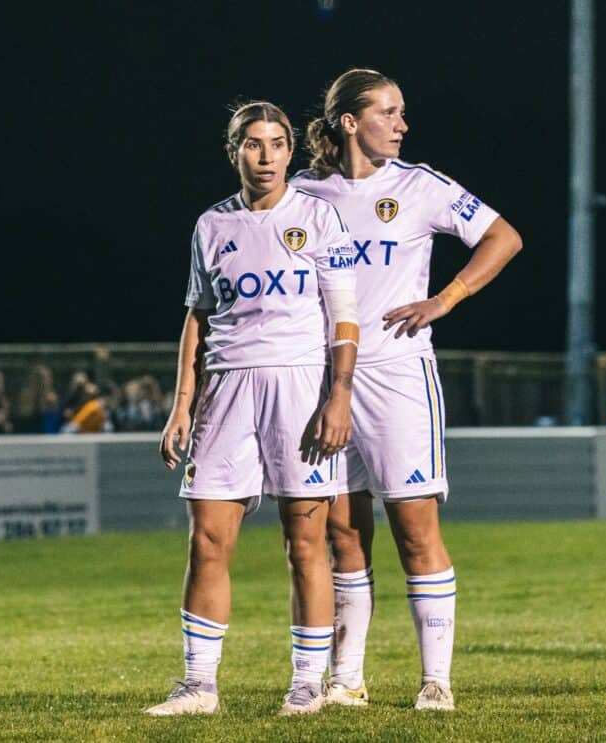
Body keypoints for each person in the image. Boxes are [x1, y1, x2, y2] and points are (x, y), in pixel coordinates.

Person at [294, 68, 524, 712]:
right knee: (342, 533)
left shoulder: (420, 186)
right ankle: (347, 678)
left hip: (396, 374)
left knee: (415, 530)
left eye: (402, 113)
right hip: (320, 379)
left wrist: (447, 297)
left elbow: (504, 237)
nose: (402, 124)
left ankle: (435, 681)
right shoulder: (303, 194)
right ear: (349, 121)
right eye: (389, 113)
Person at [143, 101, 359, 717]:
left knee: (306, 540)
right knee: (208, 539)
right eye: (252, 144)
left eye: (277, 144)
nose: (265, 156)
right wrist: (182, 402)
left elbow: (345, 318)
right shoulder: (211, 225)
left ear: (292, 151)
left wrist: (337, 396)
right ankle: (198, 686)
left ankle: (307, 684)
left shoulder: (318, 217)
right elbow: (199, 315)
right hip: (227, 390)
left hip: (299, 386)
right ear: (233, 150)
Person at [14, 364, 62, 433]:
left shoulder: (52, 398)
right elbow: (24, 415)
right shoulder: (27, 395)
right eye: (40, 379)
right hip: (29, 433)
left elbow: (55, 420)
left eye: (47, 378)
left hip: (48, 434)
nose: (43, 382)